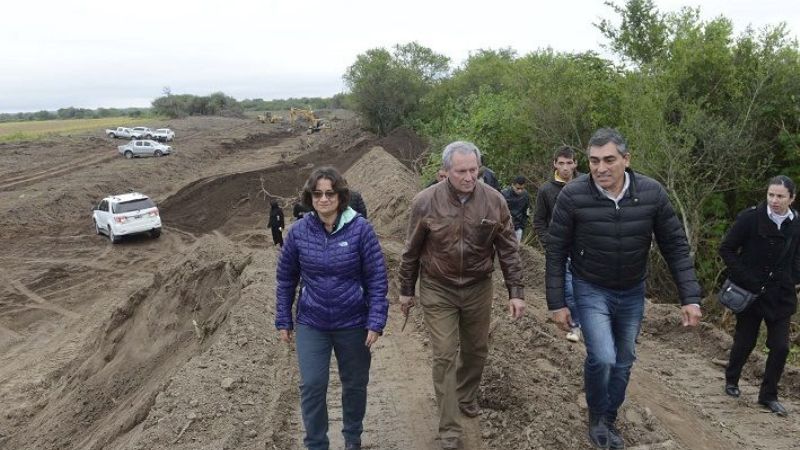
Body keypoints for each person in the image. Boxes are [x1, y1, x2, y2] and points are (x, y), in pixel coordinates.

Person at [545, 128, 702, 449]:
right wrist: (557, 302)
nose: (600, 168)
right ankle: (596, 417)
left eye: (609, 160)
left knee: (624, 359)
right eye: (594, 161)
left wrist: (690, 297)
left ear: (626, 159)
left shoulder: (651, 193)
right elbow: (556, 251)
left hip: (632, 289)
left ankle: (609, 417)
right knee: (603, 356)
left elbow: (675, 246)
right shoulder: (572, 196)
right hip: (590, 286)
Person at [398, 141, 525, 450]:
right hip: (437, 286)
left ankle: (466, 395)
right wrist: (406, 290)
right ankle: (449, 429)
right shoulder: (425, 202)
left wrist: (516, 291)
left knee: (476, 349)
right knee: (444, 354)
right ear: (445, 172)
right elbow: (411, 250)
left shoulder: (494, 201)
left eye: (473, 170)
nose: (469, 177)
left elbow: (509, 249)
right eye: (461, 171)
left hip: (478, 286)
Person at [275, 166, 389, 450]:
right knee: (312, 385)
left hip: (353, 322)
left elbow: (376, 278)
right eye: (317, 194)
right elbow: (286, 278)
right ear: (310, 197)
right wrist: (283, 319)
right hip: (312, 322)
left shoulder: (361, 229)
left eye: (329, 193)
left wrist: (376, 320)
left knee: (354, 384)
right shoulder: (298, 232)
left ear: (340, 196)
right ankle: (316, 444)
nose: (323, 199)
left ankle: (352, 438)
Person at [719, 175, 800, 417]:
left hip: (781, 295)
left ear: (792, 198)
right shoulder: (750, 218)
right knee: (745, 341)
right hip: (751, 293)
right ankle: (732, 380)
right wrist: (747, 278)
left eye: (780, 196)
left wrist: (793, 277)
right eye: (771, 195)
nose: (774, 200)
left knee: (781, 347)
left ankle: (768, 396)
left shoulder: (796, 223)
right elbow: (726, 249)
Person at [533, 145, 582, 342]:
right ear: (554, 164)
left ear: (575, 163)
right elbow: (538, 221)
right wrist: (549, 243)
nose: (565, 168)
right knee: (569, 289)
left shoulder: (586, 184)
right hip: (561, 249)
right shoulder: (546, 190)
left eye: (569, 163)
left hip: (587, 247)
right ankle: (576, 327)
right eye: (561, 163)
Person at [502, 175, 531, 242]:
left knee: (515, 246)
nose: (520, 191)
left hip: (518, 227)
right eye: (518, 188)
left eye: (522, 189)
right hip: (504, 226)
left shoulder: (525, 195)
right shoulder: (504, 194)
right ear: (513, 185)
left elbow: (526, 211)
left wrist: (522, 226)